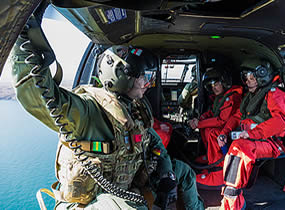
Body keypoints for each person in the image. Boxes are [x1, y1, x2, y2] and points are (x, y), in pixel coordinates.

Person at [10, 16, 204, 210]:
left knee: (184, 172)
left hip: (124, 187)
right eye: (145, 77)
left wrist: (166, 172)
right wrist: (22, 32)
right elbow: (35, 94)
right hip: (87, 202)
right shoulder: (89, 109)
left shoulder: (136, 108)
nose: (148, 84)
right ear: (122, 75)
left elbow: (154, 142)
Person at [220, 59, 285, 210]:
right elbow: (237, 116)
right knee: (232, 144)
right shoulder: (252, 96)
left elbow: (281, 121)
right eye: (246, 78)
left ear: (262, 77)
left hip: (270, 143)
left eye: (252, 78)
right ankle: (229, 190)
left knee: (239, 148)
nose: (248, 82)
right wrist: (224, 133)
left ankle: (233, 202)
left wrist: (251, 133)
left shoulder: (275, 94)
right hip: (252, 138)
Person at [188, 67, 242, 188]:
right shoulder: (220, 98)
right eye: (211, 85)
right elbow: (212, 113)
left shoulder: (232, 97)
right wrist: (200, 119)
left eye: (216, 84)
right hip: (225, 128)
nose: (214, 88)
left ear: (224, 82)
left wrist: (199, 123)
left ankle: (218, 170)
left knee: (213, 133)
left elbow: (222, 120)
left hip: (232, 129)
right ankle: (211, 159)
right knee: (206, 129)